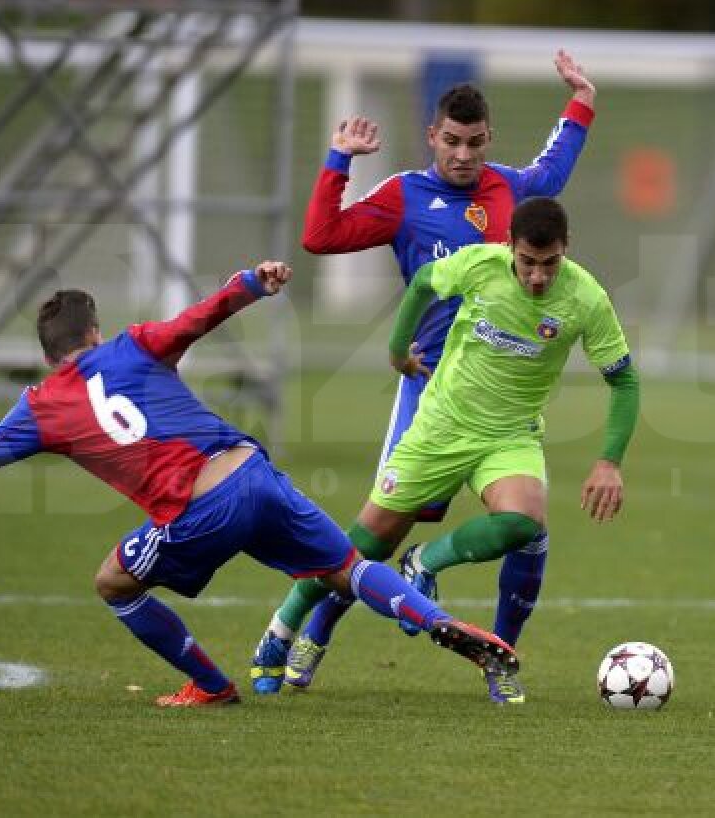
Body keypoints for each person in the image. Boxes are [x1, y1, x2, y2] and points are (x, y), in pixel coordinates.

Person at [0, 262, 517, 707]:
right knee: (349, 568)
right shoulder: (134, 343)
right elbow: (197, 319)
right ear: (94, 334)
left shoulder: (39, 406)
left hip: (199, 512)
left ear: (48, 353)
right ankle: (439, 620)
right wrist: (250, 284)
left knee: (113, 583)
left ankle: (211, 685)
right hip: (252, 470)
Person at [251, 50, 597, 700]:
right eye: (451, 141)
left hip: (502, 403)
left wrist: (581, 103)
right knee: (374, 539)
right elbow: (321, 236)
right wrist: (338, 160)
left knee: (528, 532)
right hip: (430, 393)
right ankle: (300, 623)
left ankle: (500, 662)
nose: (463, 154)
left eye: (474, 141)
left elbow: (555, 168)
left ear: (487, 138)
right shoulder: (403, 196)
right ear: (431, 137)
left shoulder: (508, 189)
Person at [263, 197, 639, 705]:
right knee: (361, 547)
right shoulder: (479, 265)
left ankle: (461, 607)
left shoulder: (586, 298)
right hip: (440, 427)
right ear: (510, 247)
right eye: (527, 262)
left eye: (549, 264)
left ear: (565, 251)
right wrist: (398, 349)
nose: (536, 277)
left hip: (510, 437)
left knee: (527, 525)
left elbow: (624, 382)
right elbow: (421, 285)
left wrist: (609, 460)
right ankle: (287, 629)